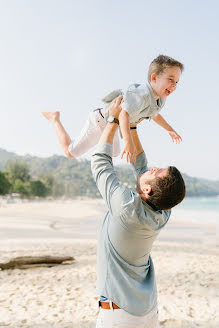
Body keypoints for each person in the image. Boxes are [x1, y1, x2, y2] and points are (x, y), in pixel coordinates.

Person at [91, 96, 186, 328]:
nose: (153, 167)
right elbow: (142, 167)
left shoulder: (126, 206)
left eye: (157, 171)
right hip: (147, 310)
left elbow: (100, 162)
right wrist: (131, 126)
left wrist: (113, 120)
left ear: (146, 190)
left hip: (119, 314)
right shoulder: (162, 212)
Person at [42, 55, 184, 163]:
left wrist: (170, 129)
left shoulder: (160, 98)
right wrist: (128, 142)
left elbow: (155, 115)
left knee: (115, 153)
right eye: (170, 79)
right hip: (100, 121)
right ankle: (55, 119)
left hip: (113, 124)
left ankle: (87, 142)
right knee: (70, 152)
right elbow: (123, 115)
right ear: (154, 78)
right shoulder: (140, 95)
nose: (174, 85)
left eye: (177, 81)